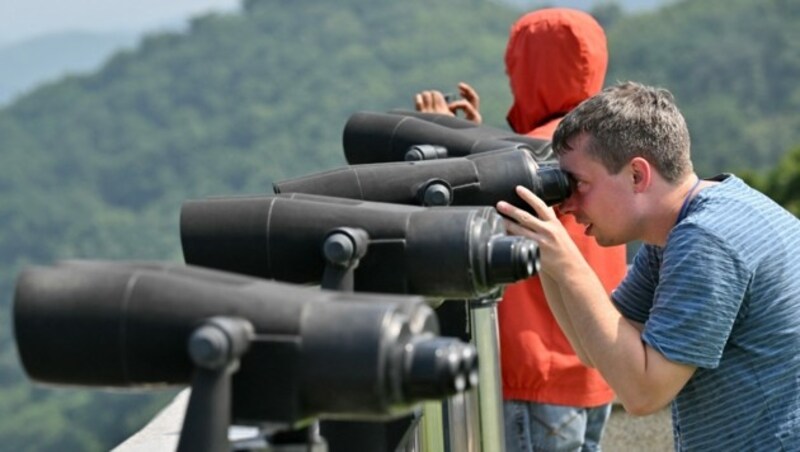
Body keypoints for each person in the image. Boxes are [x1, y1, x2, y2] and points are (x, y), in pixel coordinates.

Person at [496, 81, 800, 450]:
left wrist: (570, 264)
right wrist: (547, 258)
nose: (568, 205)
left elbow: (643, 392)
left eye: (579, 183)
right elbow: (594, 349)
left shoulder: (707, 240)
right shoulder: (688, 225)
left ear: (637, 175)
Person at [415, 8, 628, 451]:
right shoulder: (610, 147)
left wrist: (443, 134)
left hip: (537, 374)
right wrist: (477, 138)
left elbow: (470, 210)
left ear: (529, 71)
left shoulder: (533, 153)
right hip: (597, 366)